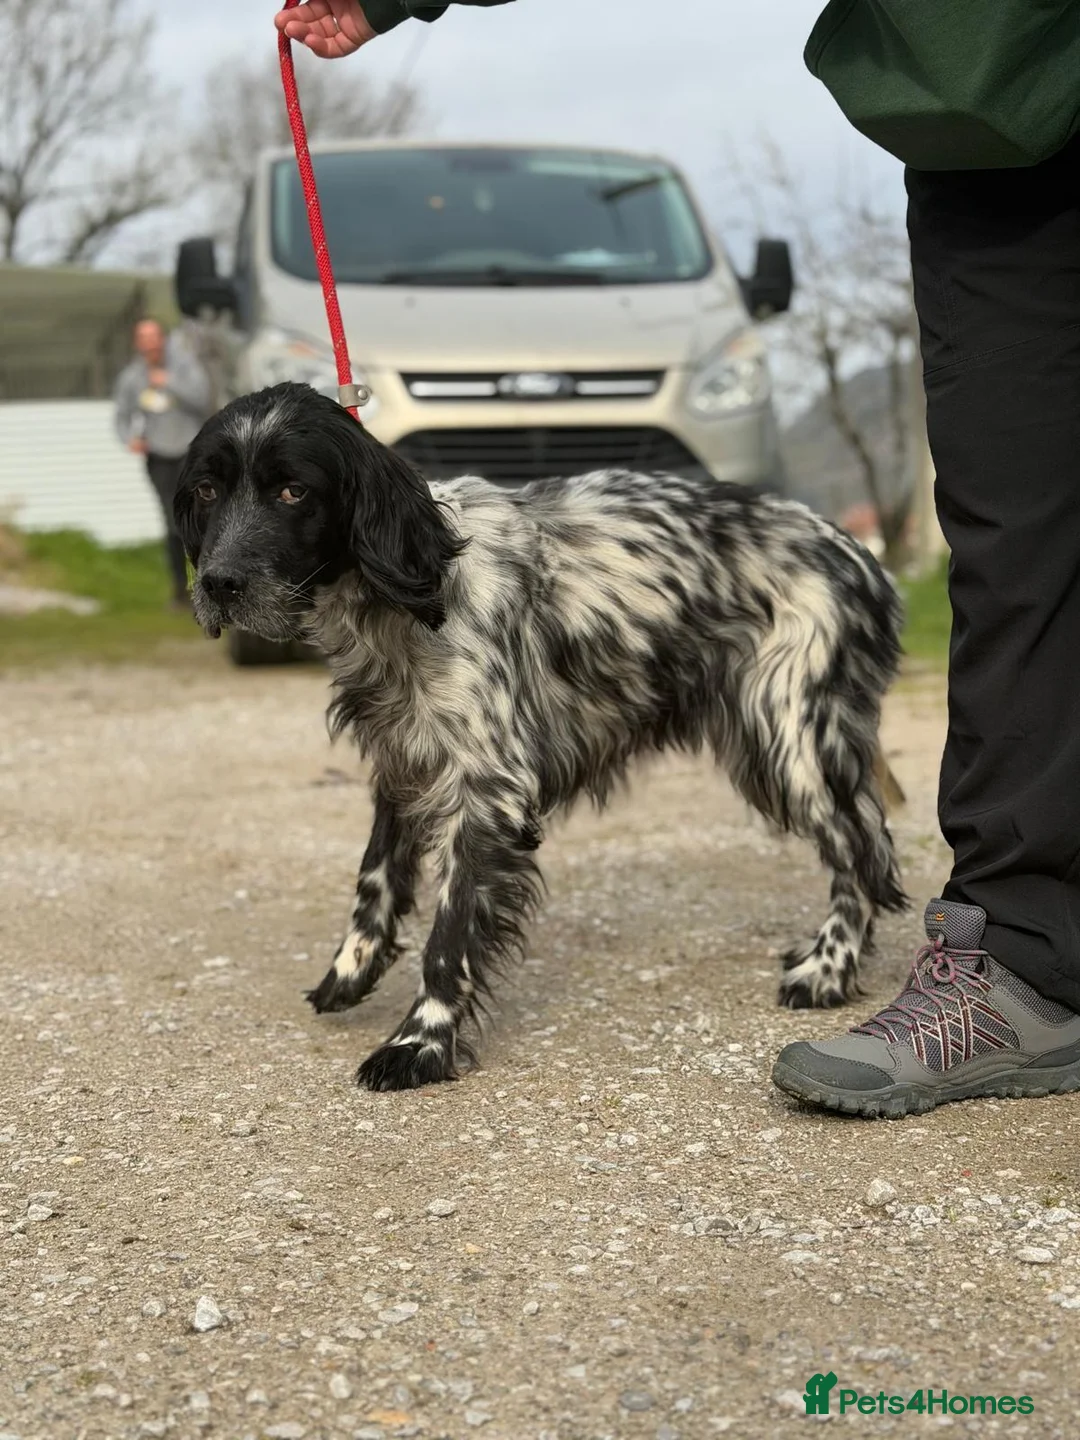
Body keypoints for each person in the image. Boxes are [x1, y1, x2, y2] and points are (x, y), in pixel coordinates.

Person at [274, 0, 1080, 1117]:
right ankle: (1027, 960)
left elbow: (490, 795)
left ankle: (871, 917)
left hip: (782, 568)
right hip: (995, 131)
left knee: (805, 757)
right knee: (1022, 548)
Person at [114, 319, 212, 611]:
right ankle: (181, 590)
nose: (150, 343)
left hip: (190, 453)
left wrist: (169, 383)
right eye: (143, 338)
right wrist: (129, 439)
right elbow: (121, 414)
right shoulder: (132, 376)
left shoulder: (185, 366)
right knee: (172, 523)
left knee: (200, 519)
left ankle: (210, 585)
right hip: (158, 456)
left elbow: (203, 400)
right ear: (137, 343)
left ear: (163, 339)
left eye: (154, 337)